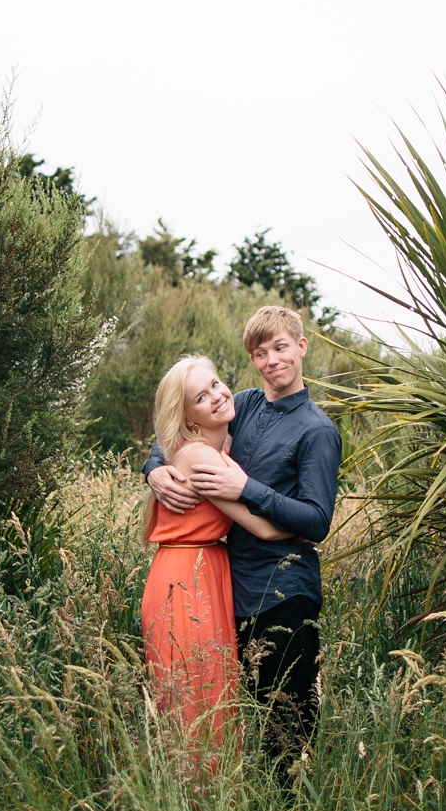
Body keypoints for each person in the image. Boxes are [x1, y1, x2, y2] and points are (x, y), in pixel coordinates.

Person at [145, 306, 341, 758]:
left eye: (281, 347)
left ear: (301, 347)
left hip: (285, 593)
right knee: (231, 715)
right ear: (252, 360)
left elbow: (317, 521)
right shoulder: (246, 403)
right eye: (260, 352)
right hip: (231, 590)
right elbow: (179, 432)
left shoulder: (318, 431)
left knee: (288, 730)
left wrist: (245, 486)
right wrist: (153, 469)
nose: (272, 360)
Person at [140, 354, 299, 743]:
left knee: (209, 688)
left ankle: (207, 793)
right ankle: (194, 795)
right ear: (189, 418)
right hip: (186, 578)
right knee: (195, 692)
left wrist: (152, 467)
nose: (215, 395)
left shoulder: (215, 441)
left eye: (215, 383)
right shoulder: (201, 456)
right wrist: (306, 530)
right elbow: (260, 527)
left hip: (203, 568)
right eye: (200, 397)